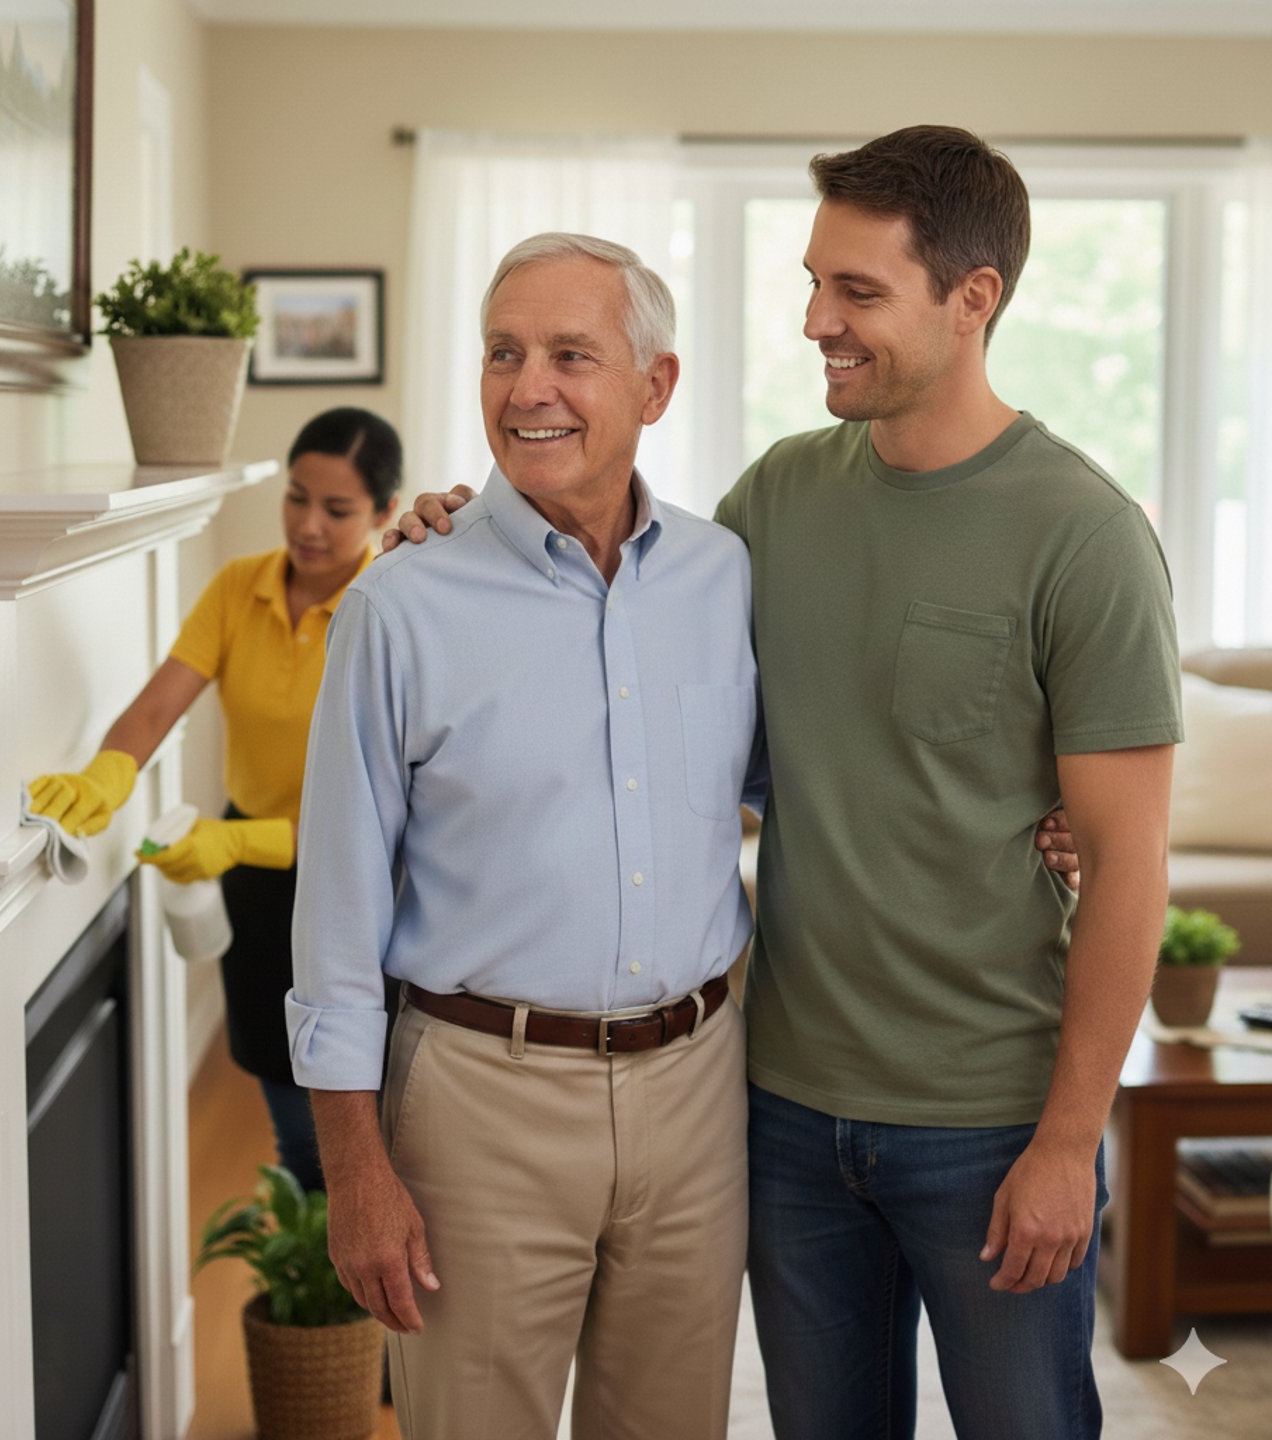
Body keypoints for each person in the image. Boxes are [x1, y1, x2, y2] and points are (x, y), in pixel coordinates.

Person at [391, 128, 1180, 1440]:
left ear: (971, 300)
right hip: (783, 1110)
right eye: (816, 283)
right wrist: (470, 533)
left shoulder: (1084, 535)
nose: (817, 320)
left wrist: (1065, 1143)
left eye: (857, 293)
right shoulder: (777, 500)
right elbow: (630, 650)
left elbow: (1130, 866)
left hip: (989, 1122)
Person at [287, 234, 761, 1440]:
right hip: (477, 1107)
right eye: (503, 353)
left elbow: (819, 785)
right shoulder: (400, 604)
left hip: (700, 1091)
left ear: (654, 387)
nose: (526, 387)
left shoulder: (725, 576)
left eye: (569, 355)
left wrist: (1046, 814)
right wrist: (356, 1178)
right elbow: (333, 924)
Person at [27, 407, 401, 1194]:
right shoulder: (240, 589)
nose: (308, 525)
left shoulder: (391, 609)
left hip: (362, 884)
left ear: (384, 514)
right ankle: (328, 1307)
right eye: (297, 497)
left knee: (372, 1126)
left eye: (337, 511)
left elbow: (389, 799)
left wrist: (235, 842)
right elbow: (158, 707)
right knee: (294, 1126)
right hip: (260, 887)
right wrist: (106, 774)